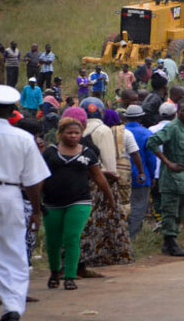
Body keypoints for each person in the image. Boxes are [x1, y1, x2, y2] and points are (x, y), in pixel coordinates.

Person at [42, 117, 114, 291]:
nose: (73, 136)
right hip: (52, 202)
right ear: (60, 134)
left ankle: (70, 276)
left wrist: (110, 198)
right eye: (69, 133)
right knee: (53, 240)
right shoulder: (50, 153)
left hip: (79, 201)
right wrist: (36, 201)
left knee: (72, 237)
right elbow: (40, 178)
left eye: (77, 133)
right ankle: (54, 271)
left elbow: (98, 177)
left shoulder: (88, 153)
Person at [0, 85, 49, 320]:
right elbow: (33, 181)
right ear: (12, 111)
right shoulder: (23, 138)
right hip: (10, 194)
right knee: (13, 251)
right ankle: (12, 308)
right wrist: (36, 211)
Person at [78, 98, 133, 272]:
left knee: (87, 220)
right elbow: (109, 159)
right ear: (101, 112)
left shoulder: (78, 129)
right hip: (101, 180)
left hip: (83, 180)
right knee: (104, 218)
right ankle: (103, 254)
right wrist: (113, 176)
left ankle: (84, 256)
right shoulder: (103, 130)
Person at [147, 102, 184, 256]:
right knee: (170, 212)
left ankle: (171, 243)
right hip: (172, 179)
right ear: (177, 112)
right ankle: (170, 243)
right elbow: (152, 142)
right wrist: (168, 163)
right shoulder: (173, 128)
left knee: (180, 212)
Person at [123, 105, 156, 239]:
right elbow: (151, 158)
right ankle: (131, 237)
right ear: (141, 117)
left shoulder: (121, 132)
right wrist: (152, 176)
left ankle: (122, 235)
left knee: (125, 206)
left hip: (122, 174)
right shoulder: (146, 133)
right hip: (141, 175)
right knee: (138, 207)